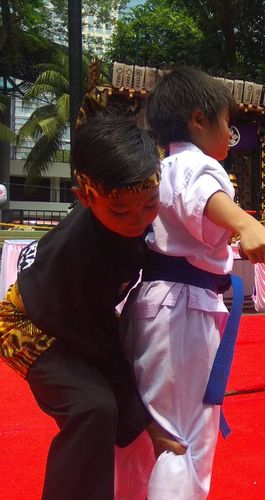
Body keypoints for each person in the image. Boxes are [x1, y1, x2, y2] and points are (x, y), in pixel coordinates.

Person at [116, 66, 265, 499]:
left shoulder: (160, 166)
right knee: (182, 436)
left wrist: (238, 230)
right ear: (198, 119)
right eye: (227, 123)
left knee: (148, 436)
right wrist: (245, 223)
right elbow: (205, 194)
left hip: (158, 307)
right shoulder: (195, 164)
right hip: (180, 312)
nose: (233, 134)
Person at [0, 115, 185, 500]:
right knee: (93, 407)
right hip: (27, 325)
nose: (137, 220)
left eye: (149, 205)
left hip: (81, 315)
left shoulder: (136, 208)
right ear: (84, 197)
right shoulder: (78, 253)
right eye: (120, 212)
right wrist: (143, 420)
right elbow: (98, 344)